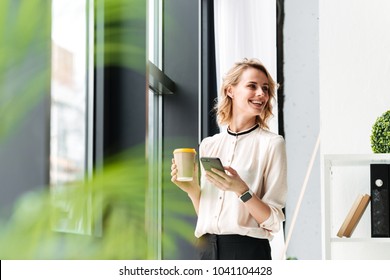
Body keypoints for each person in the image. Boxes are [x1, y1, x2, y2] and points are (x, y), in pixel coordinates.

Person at [171, 58, 287, 260]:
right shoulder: (209, 145)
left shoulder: (272, 144)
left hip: (247, 252)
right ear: (230, 90)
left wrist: (242, 190)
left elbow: (274, 221)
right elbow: (208, 215)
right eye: (252, 86)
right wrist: (192, 190)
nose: (262, 94)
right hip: (207, 249)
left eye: (266, 89)